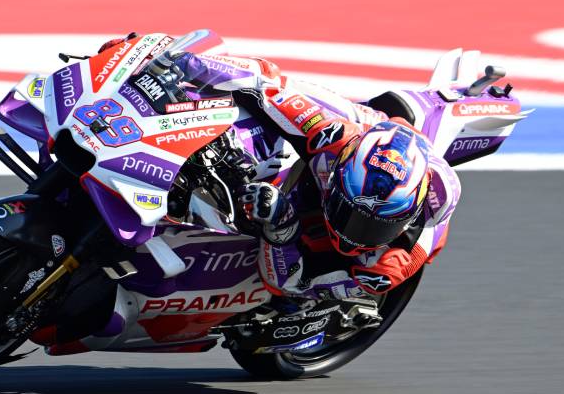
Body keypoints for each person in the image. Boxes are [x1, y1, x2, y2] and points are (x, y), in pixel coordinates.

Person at [99, 35, 461, 303]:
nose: (357, 232)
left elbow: (290, 283)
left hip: (316, 265)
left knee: (298, 285)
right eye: (350, 215)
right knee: (263, 85)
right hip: (364, 130)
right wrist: (182, 65)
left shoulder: (388, 263)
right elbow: (263, 88)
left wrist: (282, 225)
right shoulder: (333, 137)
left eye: (373, 226)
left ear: (406, 215)